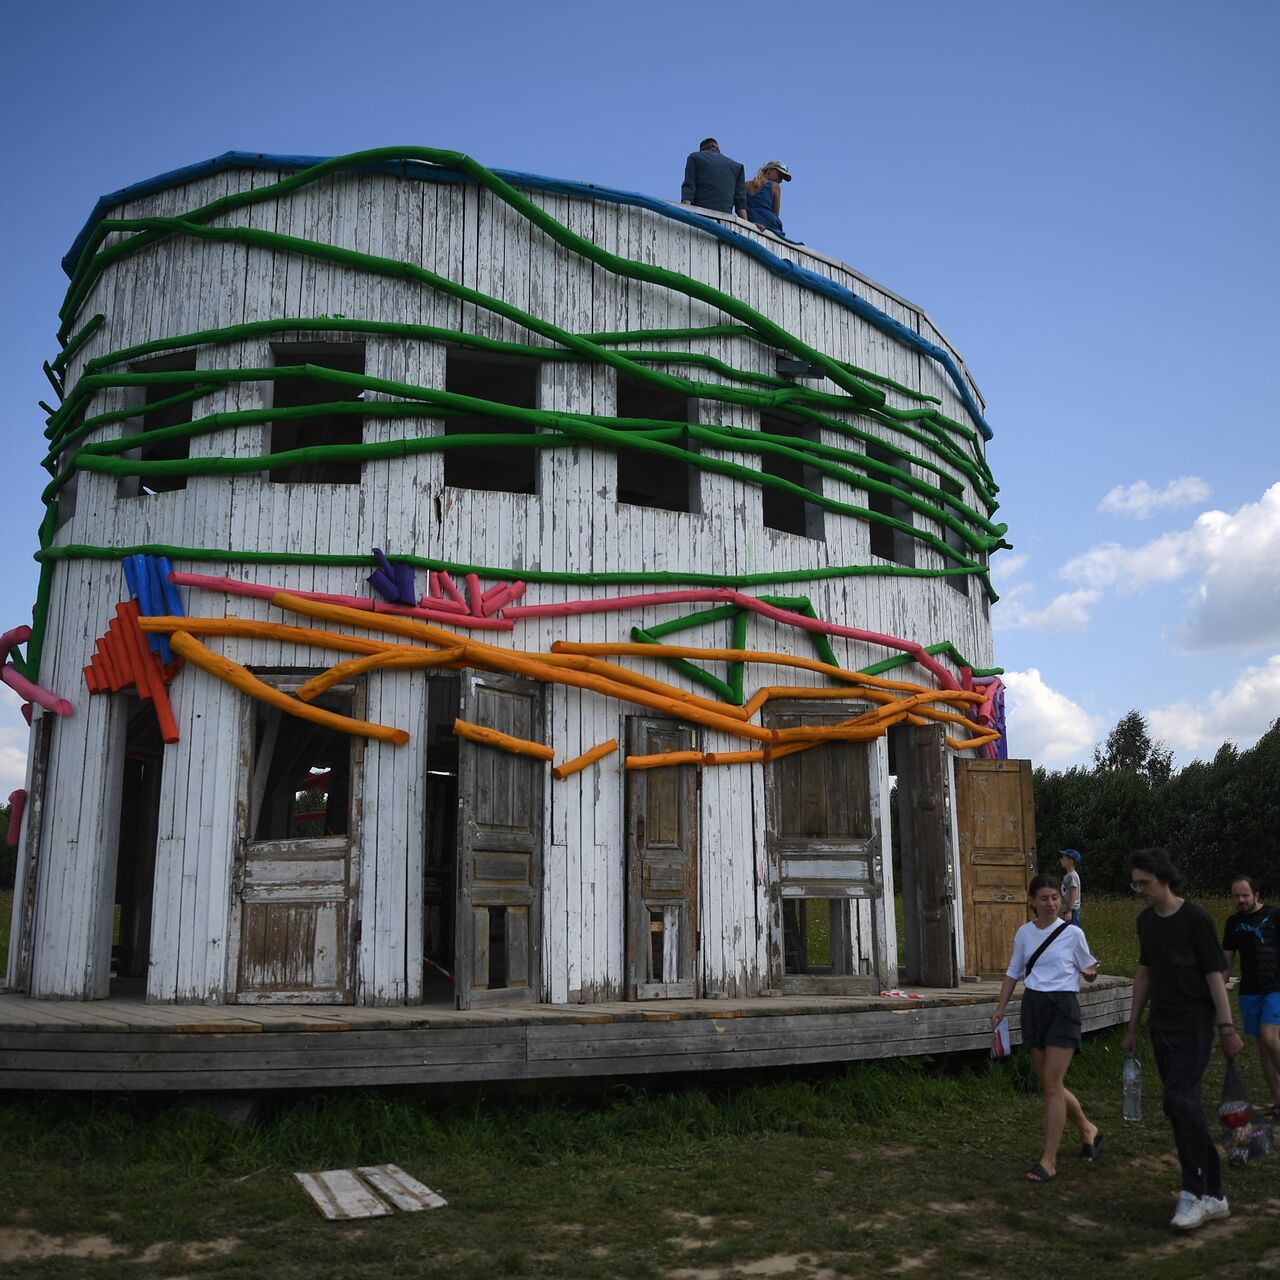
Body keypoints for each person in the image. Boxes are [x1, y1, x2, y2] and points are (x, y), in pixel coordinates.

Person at [1121, 848, 1242, 1231]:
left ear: (1165, 879)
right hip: (1161, 1026)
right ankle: (1216, 1194)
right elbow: (1144, 974)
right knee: (1182, 1107)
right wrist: (1132, 1026)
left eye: (1145, 883)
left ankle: (1193, 1191)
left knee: (1178, 1099)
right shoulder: (1146, 922)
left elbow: (1214, 976)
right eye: (1134, 883)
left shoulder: (1195, 918)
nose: (1139, 889)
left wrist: (1226, 1027)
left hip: (1195, 1025)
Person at [991, 873, 1102, 1183]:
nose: (1052, 903)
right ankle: (1087, 1129)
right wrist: (1000, 1007)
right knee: (1049, 1084)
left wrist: (1090, 974)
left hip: (1064, 1008)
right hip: (1034, 1007)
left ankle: (1049, 1161)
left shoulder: (1072, 933)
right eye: (1045, 898)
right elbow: (1013, 972)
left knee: (1052, 1083)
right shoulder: (1024, 933)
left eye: (1056, 898)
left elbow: (1088, 967)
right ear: (1032, 902)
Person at [1221, 874, 1280, 1118]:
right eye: (1236, 896)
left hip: (1276, 986)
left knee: (1269, 1037)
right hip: (1249, 991)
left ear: (1256, 895)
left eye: (1245, 895)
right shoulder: (1233, 923)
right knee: (1263, 1048)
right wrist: (1219, 987)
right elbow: (1226, 962)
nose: (1241, 900)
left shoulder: (1276, 916)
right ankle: (1278, 1102)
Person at [680, 139, 748, 220]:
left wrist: (684, 214)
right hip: (725, 220)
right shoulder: (737, 167)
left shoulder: (695, 157)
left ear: (702, 149)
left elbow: (689, 188)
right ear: (717, 148)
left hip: (700, 216)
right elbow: (740, 202)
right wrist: (746, 225)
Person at [745, 161, 792, 236]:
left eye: (782, 178)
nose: (780, 180)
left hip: (748, 221)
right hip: (770, 227)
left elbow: (741, 207)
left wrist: (749, 223)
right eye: (779, 175)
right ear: (769, 170)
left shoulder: (745, 185)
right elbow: (775, 215)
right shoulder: (775, 186)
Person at [1059, 849, 1082, 925]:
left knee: (1072, 933)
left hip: (1073, 911)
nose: (1060, 859)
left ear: (1070, 861)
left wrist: (1069, 911)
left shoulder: (1072, 876)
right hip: (1068, 910)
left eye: (1063, 858)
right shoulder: (1068, 875)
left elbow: (1073, 893)